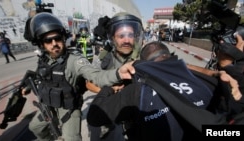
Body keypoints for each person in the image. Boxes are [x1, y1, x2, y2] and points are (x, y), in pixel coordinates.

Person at [87, 41, 242, 141]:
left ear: (144, 63)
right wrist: (225, 68)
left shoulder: (137, 91)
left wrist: (109, 89)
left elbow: (95, 116)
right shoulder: (207, 81)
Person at [21, 12, 135, 141]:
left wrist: (118, 72)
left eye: (57, 38)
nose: (54, 44)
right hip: (49, 105)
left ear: (63, 38)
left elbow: (97, 76)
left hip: (68, 109)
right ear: (41, 44)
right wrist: (28, 86)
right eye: (48, 40)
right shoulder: (45, 59)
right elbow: (40, 75)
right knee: (35, 128)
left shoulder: (75, 61)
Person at [87, 12, 144, 141]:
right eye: (121, 36)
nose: (126, 40)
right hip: (113, 106)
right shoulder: (105, 57)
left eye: (130, 35)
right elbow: (89, 82)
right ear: (113, 38)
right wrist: (109, 92)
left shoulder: (141, 55)